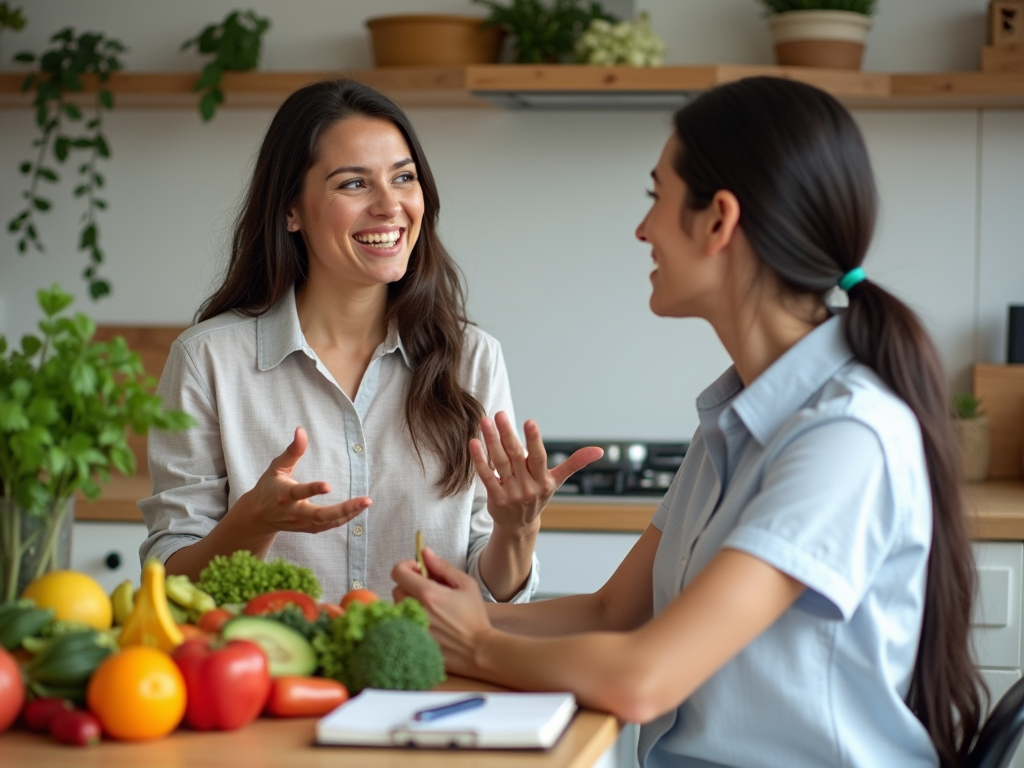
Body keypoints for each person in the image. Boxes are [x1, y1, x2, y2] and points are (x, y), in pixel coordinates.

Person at [393, 76, 985, 768]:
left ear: (718, 220)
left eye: (657, 198)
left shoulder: (844, 438)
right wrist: (474, 613)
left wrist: (481, 646)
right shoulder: (735, 420)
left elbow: (645, 681)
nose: (642, 229)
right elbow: (615, 613)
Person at [138, 78, 600, 604]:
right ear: (291, 209)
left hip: (428, 679)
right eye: (353, 184)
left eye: (403, 178)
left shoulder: (472, 358)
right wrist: (251, 523)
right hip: (269, 678)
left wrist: (517, 530)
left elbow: (486, 586)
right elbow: (170, 581)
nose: (389, 205)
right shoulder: (207, 360)